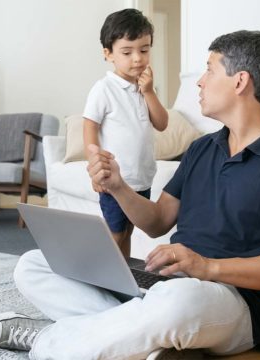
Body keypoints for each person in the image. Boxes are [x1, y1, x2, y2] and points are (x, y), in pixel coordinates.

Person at [0, 30, 260, 359]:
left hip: (234, 301)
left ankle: (49, 343)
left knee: (180, 300)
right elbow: (157, 221)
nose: (199, 81)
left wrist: (207, 267)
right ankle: (153, 341)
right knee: (35, 264)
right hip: (166, 285)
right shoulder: (202, 150)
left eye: (209, 70)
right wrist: (117, 186)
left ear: (240, 81)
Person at [83, 8, 168, 257]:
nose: (137, 59)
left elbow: (162, 123)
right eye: (127, 52)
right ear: (108, 54)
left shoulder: (145, 87)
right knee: (116, 232)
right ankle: (103, 276)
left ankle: (125, 276)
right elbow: (89, 126)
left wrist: (150, 92)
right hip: (114, 179)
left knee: (128, 231)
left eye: (144, 50)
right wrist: (95, 167)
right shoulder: (104, 89)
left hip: (142, 178)